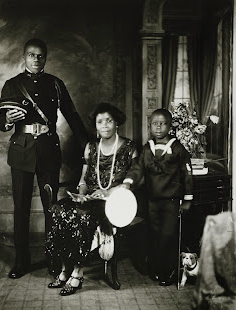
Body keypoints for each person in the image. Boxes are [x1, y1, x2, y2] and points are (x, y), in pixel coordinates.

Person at [0, 38, 88, 279]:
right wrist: (8, 121)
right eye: (31, 55)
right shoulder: (12, 85)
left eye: (40, 56)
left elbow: (72, 115)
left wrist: (87, 144)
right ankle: (21, 262)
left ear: (45, 58)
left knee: (51, 209)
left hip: (48, 152)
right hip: (21, 153)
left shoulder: (55, 84)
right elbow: (0, 120)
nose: (36, 59)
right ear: (23, 57)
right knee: (21, 209)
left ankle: (53, 260)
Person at [45, 102, 138, 296]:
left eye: (109, 121)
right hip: (90, 198)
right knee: (59, 210)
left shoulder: (129, 148)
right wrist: (81, 193)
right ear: (95, 126)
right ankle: (64, 269)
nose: (104, 125)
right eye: (100, 122)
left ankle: (78, 273)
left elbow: (134, 181)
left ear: (116, 124)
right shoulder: (91, 147)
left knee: (82, 217)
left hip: (114, 202)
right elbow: (84, 180)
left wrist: (108, 193)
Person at [122, 108, 193, 286]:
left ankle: (169, 271)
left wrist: (188, 200)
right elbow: (137, 168)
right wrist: (128, 182)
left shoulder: (178, 149)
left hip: (171, 201)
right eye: (155, 123)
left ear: (170, 126)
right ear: (150, 126)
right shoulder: (147, 148)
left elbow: (187, 175)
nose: (159, 127)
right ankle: (156, 268)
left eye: (163, 123)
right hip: (153, 201)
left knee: (168, 236)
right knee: (154, 234)